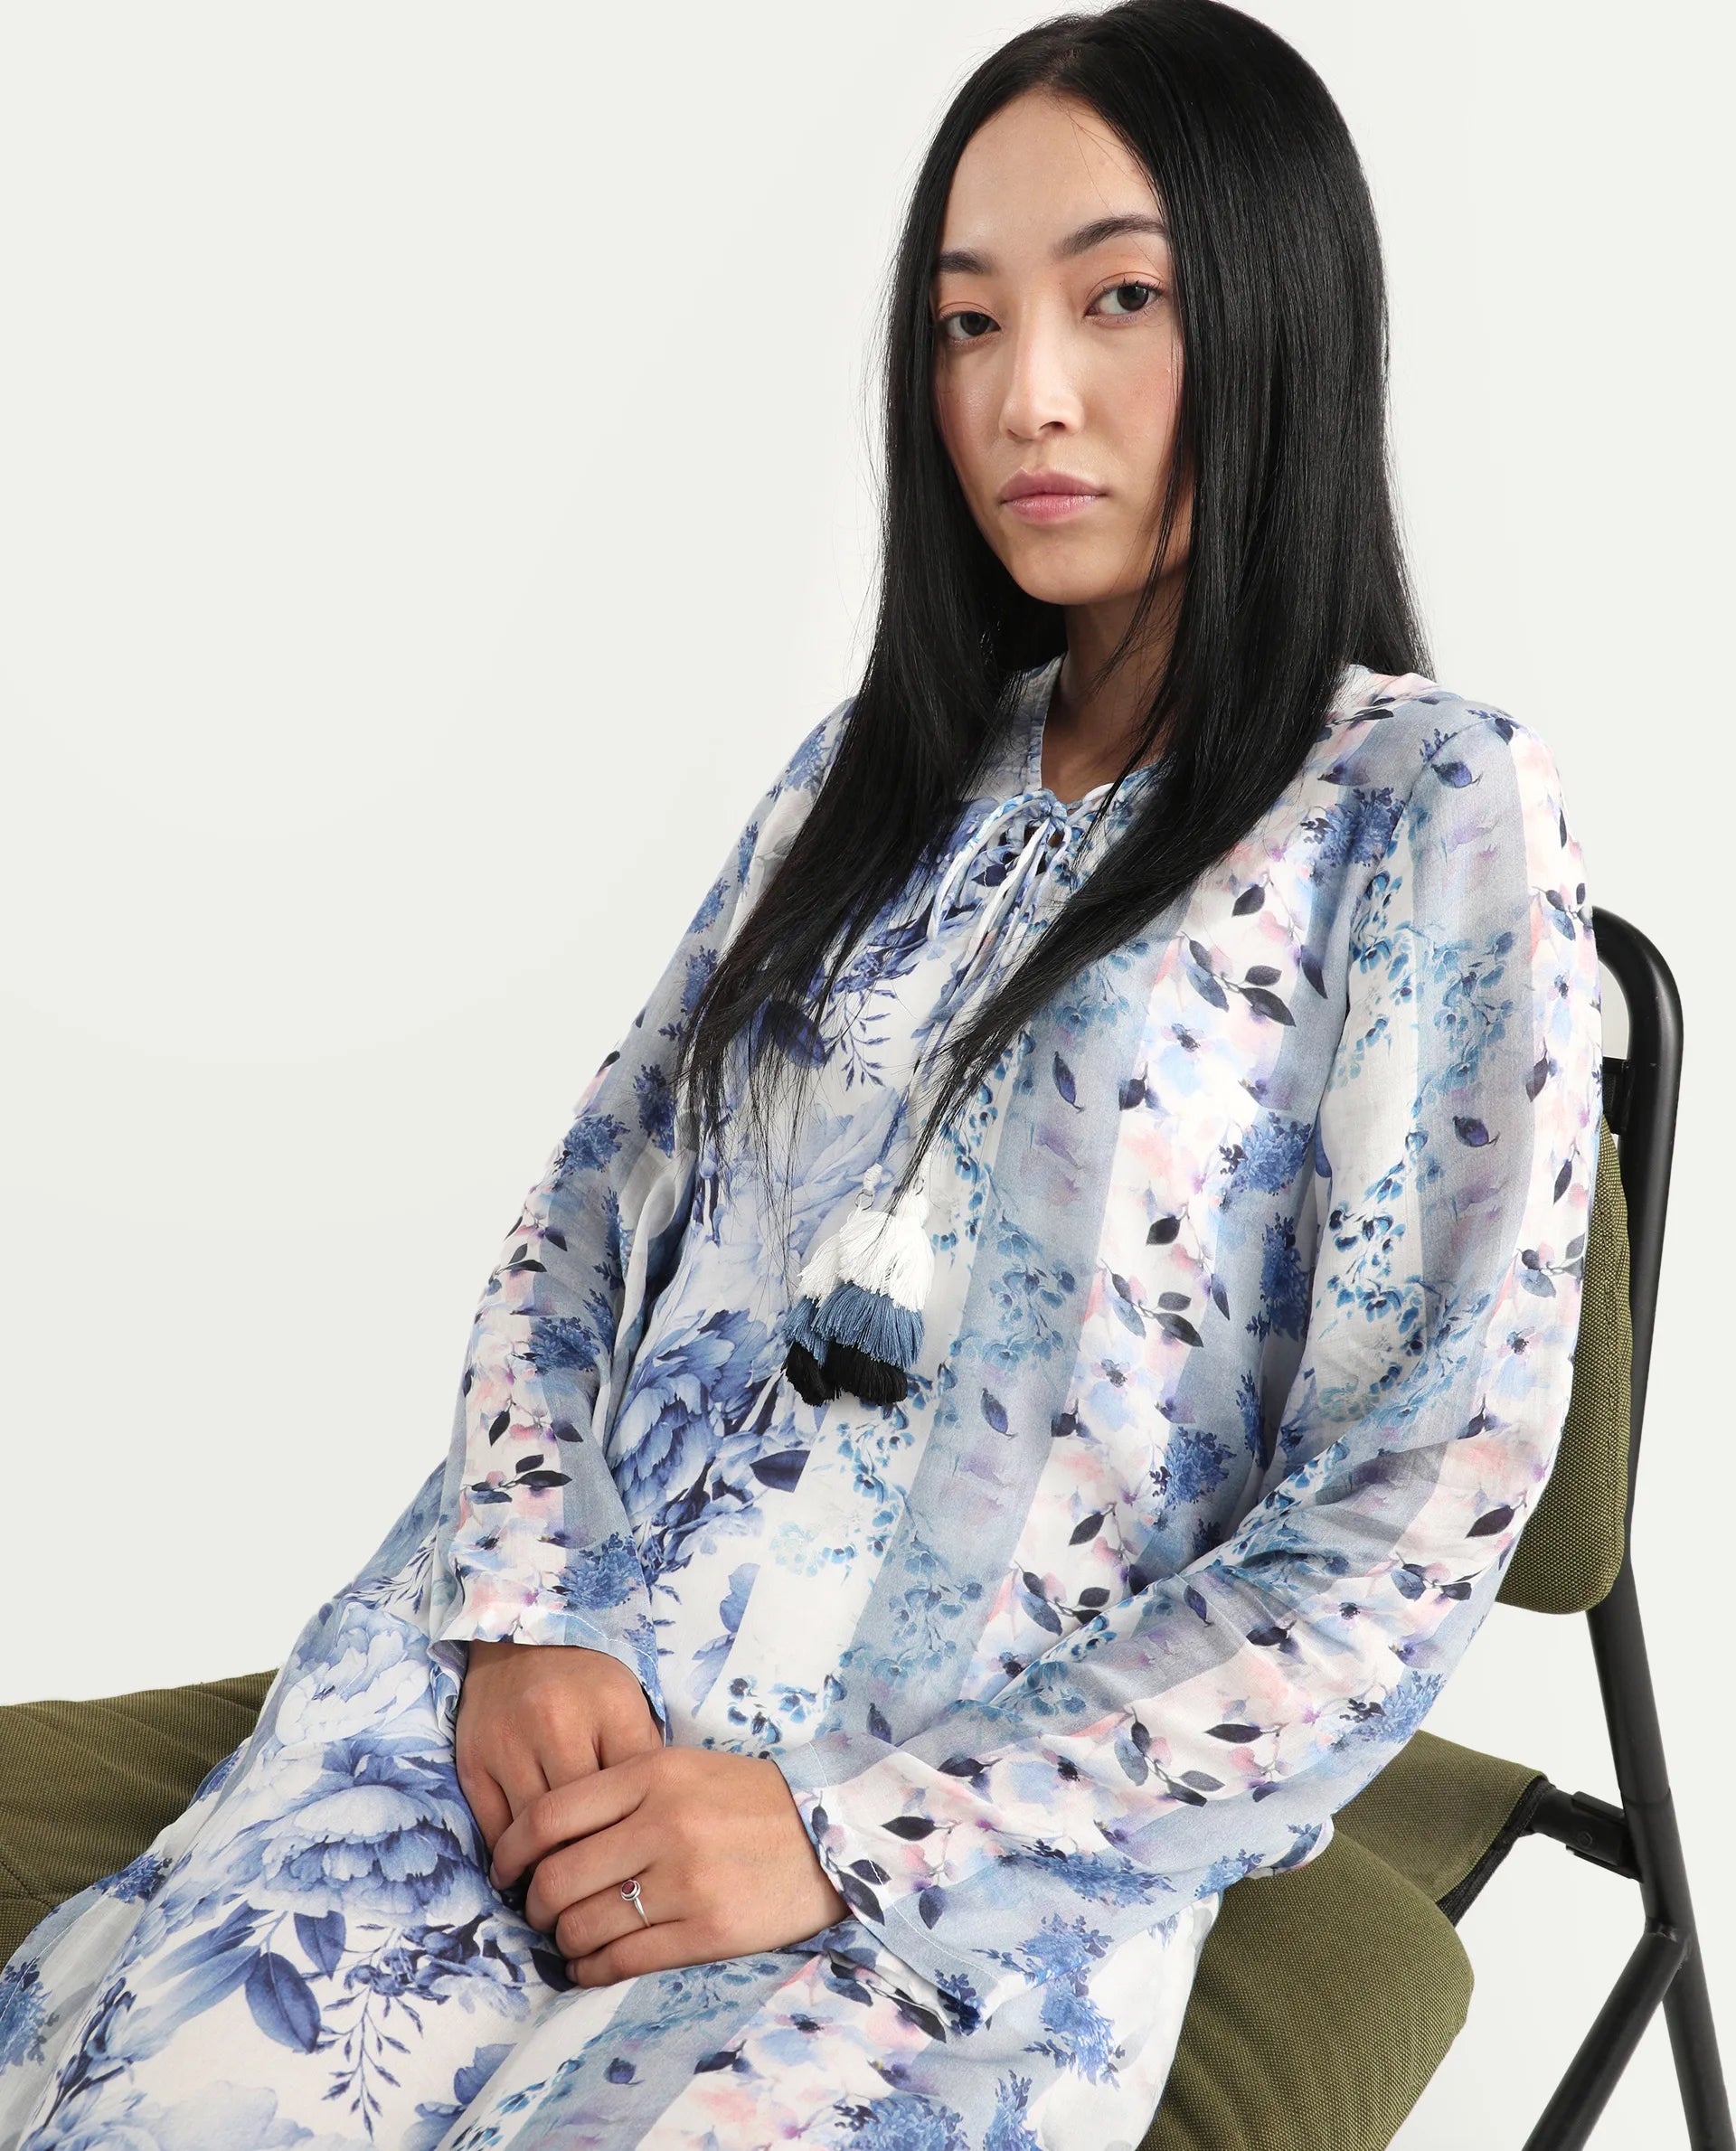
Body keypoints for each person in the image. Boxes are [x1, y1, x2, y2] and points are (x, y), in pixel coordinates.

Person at [0, 2, 1604, 2146]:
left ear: (1279, 312)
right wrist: (523, 1610)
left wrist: (843, 1828)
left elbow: (1411, 1511)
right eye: (967, 322)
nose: (1025, 395)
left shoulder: (1424, 808)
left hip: (934, 1871)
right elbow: (588, 1219)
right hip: (512, 1724)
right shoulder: (870, 780)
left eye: (1121, 300)